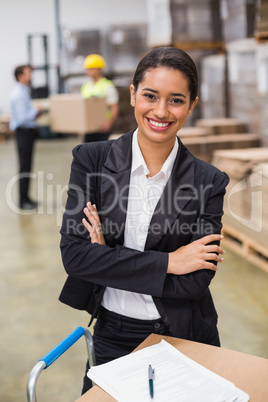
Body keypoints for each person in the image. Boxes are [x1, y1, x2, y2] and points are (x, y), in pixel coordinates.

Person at [59, 47, 229, 394]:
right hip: (112, 335)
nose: (161, 111)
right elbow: (75, 257)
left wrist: (107, 259)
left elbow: (194, 282)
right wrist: (170, 262)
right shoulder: (91, 161)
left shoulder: (209, 181)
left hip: (185, 334)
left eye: (176, 100)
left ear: (192, 105)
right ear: (133, 94)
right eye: (150, 96)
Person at [9, 64, 43, 211]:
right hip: (23, 132)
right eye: (28, 73)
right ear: (20, 76)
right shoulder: (18, 94)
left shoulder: (23, 91)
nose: (31, 76)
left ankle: (26, 197)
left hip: (27, 132)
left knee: (27, 166)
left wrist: (34, 112)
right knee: (24, 167)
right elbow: (23, 118)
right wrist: (36, 110)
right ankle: (23, 201)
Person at [80, 53, 119, 143]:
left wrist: (108, 123)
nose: (87, 71)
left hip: (102, 127)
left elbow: (114, 107)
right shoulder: (85, 86)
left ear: (98, 69)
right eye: (87, 69)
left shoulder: (107, 86)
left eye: (90, 69)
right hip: (88, 128)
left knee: (102, 154)